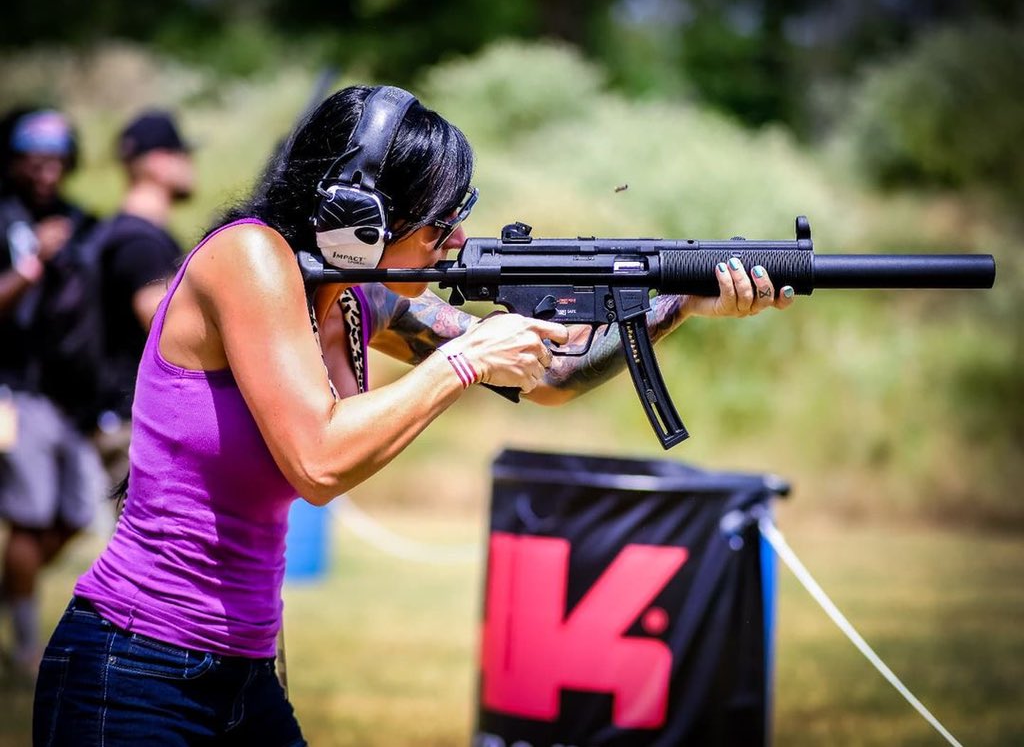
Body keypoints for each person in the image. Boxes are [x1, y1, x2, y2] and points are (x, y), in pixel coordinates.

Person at [32, 85, 794, 745]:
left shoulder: (355, 294)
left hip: (238, 670)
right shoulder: (250, 261)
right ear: (354, 217)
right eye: (437, 222)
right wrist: (461, 363)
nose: (455, 240)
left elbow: (551, 377)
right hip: (134, 667)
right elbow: (319, 462)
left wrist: (678, 302)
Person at [0, 107, 106, 680]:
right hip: (14, 393)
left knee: (80, 510)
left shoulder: (79, 221)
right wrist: (33, 261)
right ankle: (23, 647)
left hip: (71, 396)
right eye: (33, 162)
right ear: (13, 161)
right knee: (30, 517)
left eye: (56, 162)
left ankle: (10, 594)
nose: (45, 173)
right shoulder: (4, 219)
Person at [92, 110, 192, 486]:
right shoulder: (141, 244)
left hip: (125, 417)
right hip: (133, 420)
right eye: (182, 154)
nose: (189, 165)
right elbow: (167, 326)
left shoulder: (122, 232)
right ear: (156, 162)